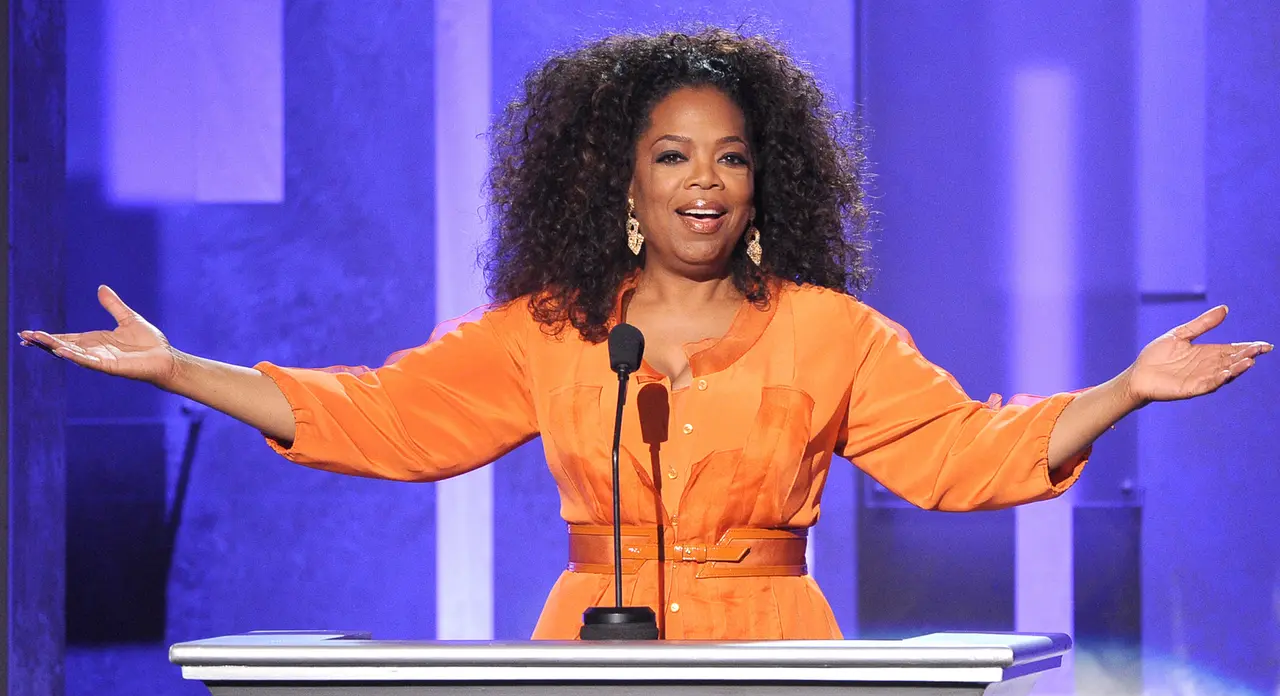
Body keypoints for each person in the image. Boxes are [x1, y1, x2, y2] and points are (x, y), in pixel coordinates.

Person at [20, 29, 1271, 641]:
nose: (703, 182)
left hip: (777, 646)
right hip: (593, 643)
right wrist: (179, 369)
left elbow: (962, 453)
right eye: (671, 156)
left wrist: (1123, 387)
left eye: (730, 157)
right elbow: (385, 420)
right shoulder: (551, 329)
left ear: (765, 183)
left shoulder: (831, 332)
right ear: (619, 181)